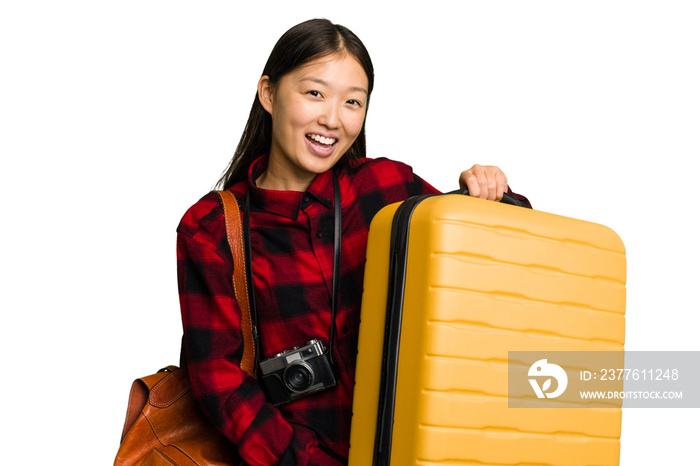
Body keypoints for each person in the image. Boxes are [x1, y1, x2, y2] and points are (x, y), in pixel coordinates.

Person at [177, 18, 530, 466]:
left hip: (417, 451)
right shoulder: (210, 229)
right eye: (314, 93)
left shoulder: (385, 187)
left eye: (353, 102)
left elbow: (499, 261)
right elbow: (218, 379)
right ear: (268, 93)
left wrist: (489, 194)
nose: (332, 119)